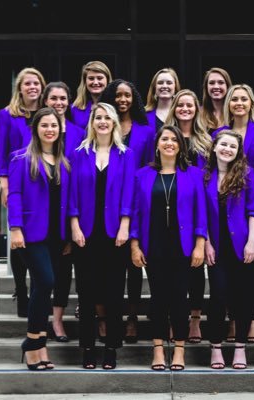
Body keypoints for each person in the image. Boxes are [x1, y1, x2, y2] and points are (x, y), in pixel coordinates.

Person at [130, 125, 207, 371]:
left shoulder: (193, 174)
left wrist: (200, 244)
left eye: (174, 139)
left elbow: (201, 212)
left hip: (183, 246)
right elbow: (135, 212)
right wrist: (134, 244)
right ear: (157, 144)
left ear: (181, 146)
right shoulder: (142, 175)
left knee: (179, 299)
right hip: (153, 245)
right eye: (165, 139)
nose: (170, 143)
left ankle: (180, 351)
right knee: (158, 298)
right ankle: (158, 350)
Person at [69, 102, 135, 369]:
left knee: (113, 292)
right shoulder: (79, 153)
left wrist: (124, 225)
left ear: (115, 123)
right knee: (86, 291)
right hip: (85, 231)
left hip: (114, 233)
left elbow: (129, 192)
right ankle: (87, 347)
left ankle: (111, 348)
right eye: (98, 117)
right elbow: (71, 192)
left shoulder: (126, 154)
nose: (103, 122)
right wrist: (74, 225)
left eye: (108, 118)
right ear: (92, 122)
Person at [8, 107, 70, 370]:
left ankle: (40, 345)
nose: (49, 129)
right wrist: (15, 228)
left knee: (42, 288)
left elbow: (68, 201)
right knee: (45, 281)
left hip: (57, 234)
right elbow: (14, 195)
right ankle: (32, 344)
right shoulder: (21, 158)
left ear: (60, 129)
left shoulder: (65, 162)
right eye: (44, 125)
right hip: (31, 232)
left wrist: (69, 233)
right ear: (36, 129)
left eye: (54, 125)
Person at [211, 83, 254, 343]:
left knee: (251, 269)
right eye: (234, 99)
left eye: (243, 99)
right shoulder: (220, 133)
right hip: (226, 204)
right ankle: (233, 320)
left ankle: (252, 321)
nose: (238, 103)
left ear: (251, 104)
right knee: (228, 272)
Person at [100, 79, 155, 343]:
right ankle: (105, 316)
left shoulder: (145, 129)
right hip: (108, 199)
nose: (123, 99)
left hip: (138, 198)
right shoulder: (104, 124)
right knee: (107, 263)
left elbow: (149, 165)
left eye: (127, 95)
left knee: (133, 263)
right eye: (118, 95)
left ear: (134, 99)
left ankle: (132, 316)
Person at [204, 130, 254, 369]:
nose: (228, 149)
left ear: (238, 152)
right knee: (218, 295)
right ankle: (215, 347)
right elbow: (200, 214)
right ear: (215, 147)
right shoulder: (204, 176)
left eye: (233, 146)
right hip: (215, 247)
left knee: (242, 297)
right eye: (223, 145)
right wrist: (206, 242)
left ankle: (240, 348)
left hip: (242, 246)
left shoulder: (247, 174)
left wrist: (252, 242)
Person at [0, 67, 46, 318]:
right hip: (18, 181)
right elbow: (0, 151)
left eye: (36, 83)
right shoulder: (7, 115)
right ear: (20, 88)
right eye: (27, 83)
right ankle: (20, 289)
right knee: (19, 237)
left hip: (41, 182)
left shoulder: (47, 114)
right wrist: (4, 184)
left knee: (38, 236)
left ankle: (37, 288)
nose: (32, 87)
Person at [166, 89, 212, 342]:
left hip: (200, 205)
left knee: (196, 267)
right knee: (173, 268)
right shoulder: (165, 136)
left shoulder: (206, 140)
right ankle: (175, 317)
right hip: (170, 206)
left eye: (189, 105)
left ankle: (194, 318)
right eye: (180, 105)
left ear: (196, 109)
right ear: (174, 108)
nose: (185, 109)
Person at [42, 82, 85, 342]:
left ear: (68, 102)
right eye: (53, 98)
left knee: (62, 270)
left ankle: (57, 321)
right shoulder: (35, 131)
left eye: (62, 98)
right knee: (42, 273)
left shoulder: (79, 133)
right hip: (41, 210)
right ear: (45, 101)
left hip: (67, 206)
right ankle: (39, 318)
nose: (58, 103)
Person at [71, 60, 112, 131]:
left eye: (99, 78)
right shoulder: (74, 109)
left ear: (107, 80)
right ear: (85, 82)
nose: (95, 82)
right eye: (91, 78)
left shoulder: (115, 106)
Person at [145, 67, 181, 133]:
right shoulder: (144, 115)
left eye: (169, 83)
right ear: (154, 88)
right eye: (160, 83)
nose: (164, 86)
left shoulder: (183, 113)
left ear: (175, 88)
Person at [200, 67, 232, 135]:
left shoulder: (235, 114)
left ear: (227, 86)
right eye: (212, 83)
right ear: (206, 87)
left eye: (221, 82)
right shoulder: (198, 113)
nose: (216, 87)